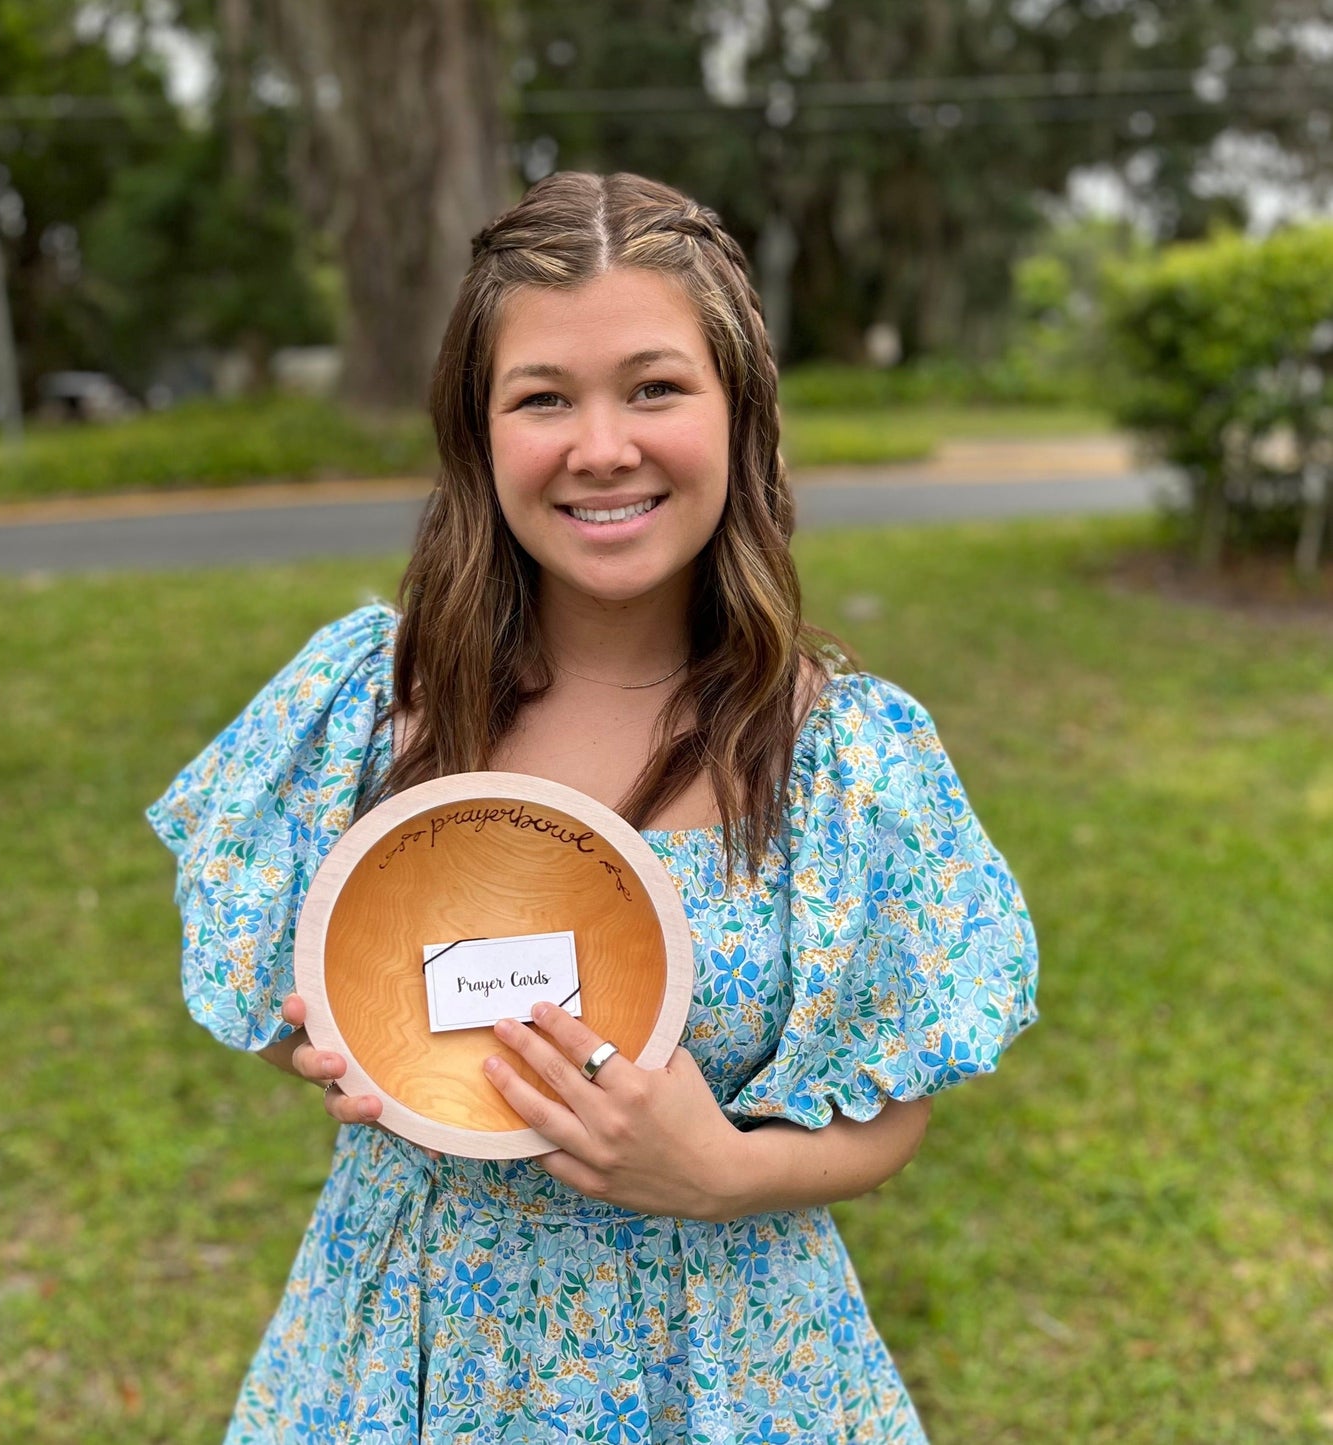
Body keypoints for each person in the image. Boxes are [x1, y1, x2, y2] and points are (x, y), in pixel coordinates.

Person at [148, 171, 1038, 1444]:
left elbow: (892, 1106)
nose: (601, 445)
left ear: (740, 413)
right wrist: (338, 1040)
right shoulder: (371, 702)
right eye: (543, 398)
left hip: (723, 1357)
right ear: (478, 430)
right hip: (412, 1348)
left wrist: (720, 1170)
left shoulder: (839, 752)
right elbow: (297, 1000)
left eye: (654, 386)